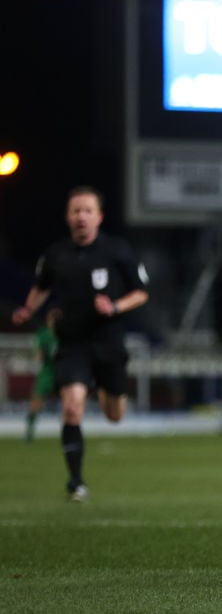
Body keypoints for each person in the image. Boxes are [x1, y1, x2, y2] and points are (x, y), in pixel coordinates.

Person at [11, 185, 150, 501]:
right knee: (72, 409)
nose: (81, 217)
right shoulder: (56, 255)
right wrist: (27, 309)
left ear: (99, 216)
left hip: (108, 342)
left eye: (87, 211)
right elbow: (41, 287)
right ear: (67, 217)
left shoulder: (117, 251)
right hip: (73, 344)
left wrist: (115, 307)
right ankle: (76, 482)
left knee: (115, 415)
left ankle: (106, 390)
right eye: (76, 211)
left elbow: (141, 292)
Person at [24, 307, 61, 443]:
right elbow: (37, 354)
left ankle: (69, 431)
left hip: (62, 370)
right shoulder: (43, 334)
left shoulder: (65, 333)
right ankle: (30, 430)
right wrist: (37, 354)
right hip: (47, 370)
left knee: (70, 400)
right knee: (36, 399)